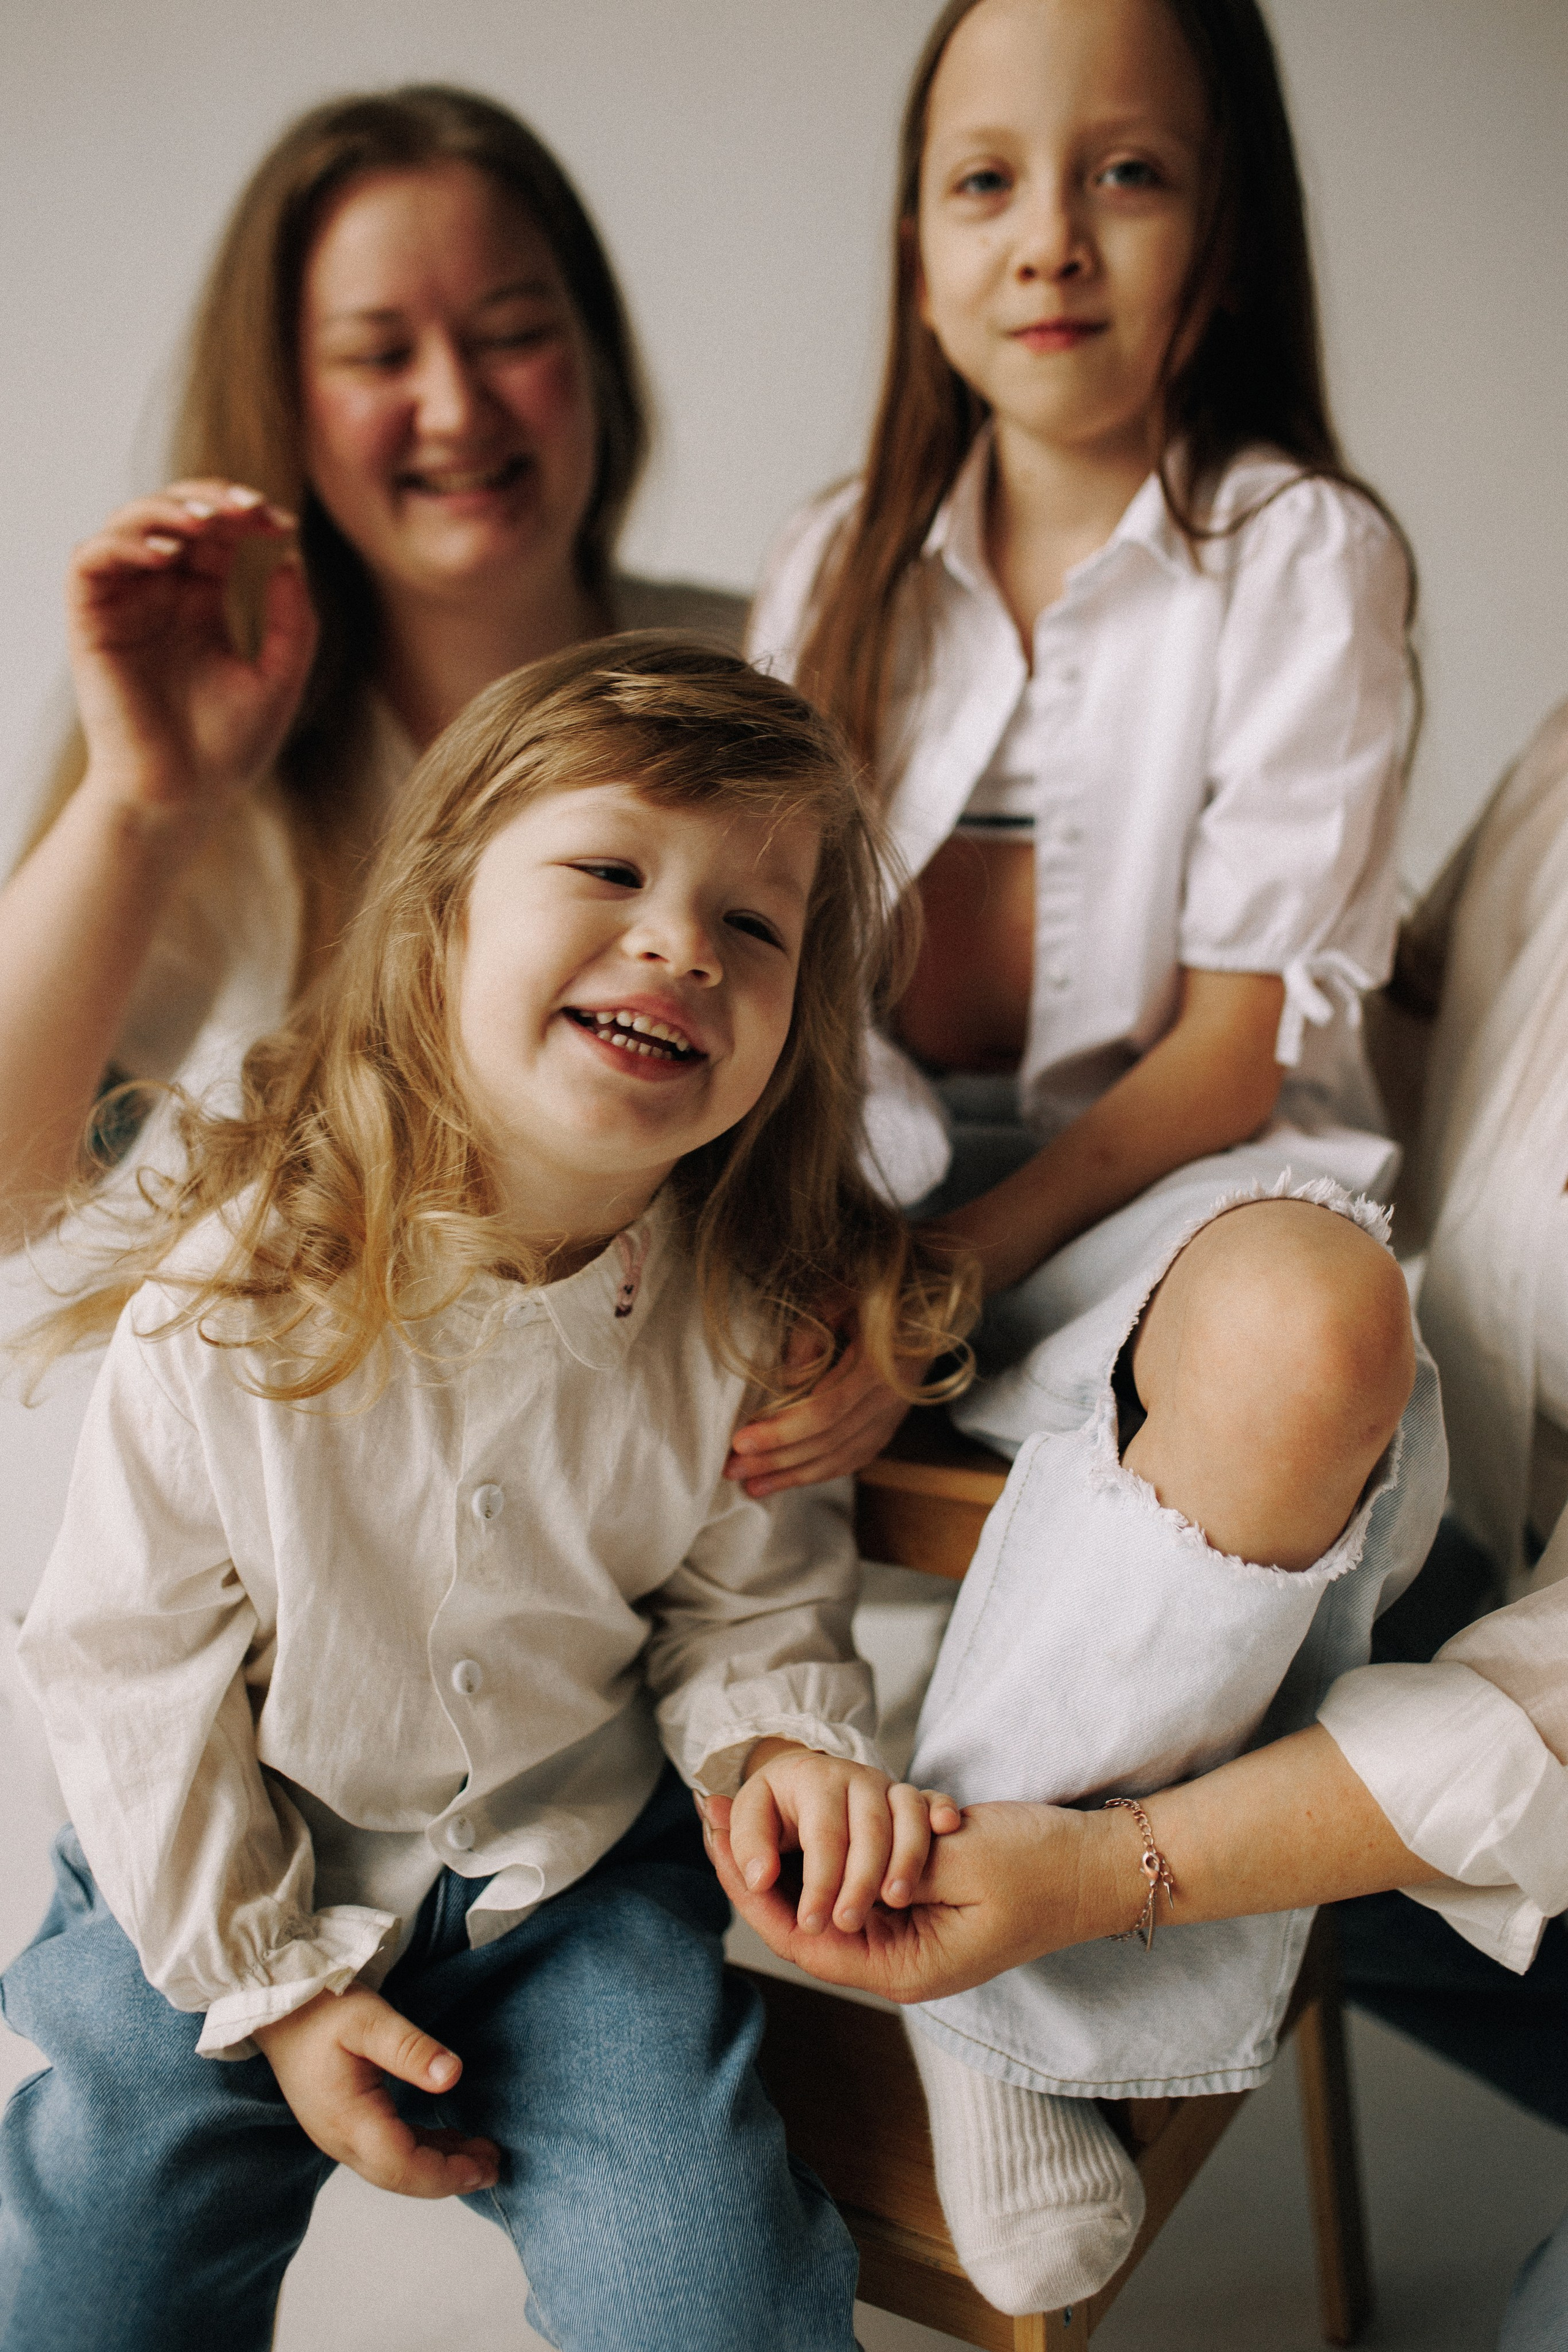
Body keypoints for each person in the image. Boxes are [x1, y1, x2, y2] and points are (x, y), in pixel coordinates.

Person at [722, 0, 1444, 2319]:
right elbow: (763, 1004)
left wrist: (940, 1285)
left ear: (1222, 242)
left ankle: (989, 1997)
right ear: (919, 252)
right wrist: (839, 1266)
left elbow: (1230, 1056)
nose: (1050, 240)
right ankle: (596, 1936)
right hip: (880, 1198)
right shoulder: (835, 566)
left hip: (1152, 1205)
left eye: (1127, 176)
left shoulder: (1301, 556)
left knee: (1318, 1319)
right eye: (984, 182)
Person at [0, 638, 973, 2352]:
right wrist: (276, 1993)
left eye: (754, 926)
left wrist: (786, 1750)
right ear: (445, 914)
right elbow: (126, 1665)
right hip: (225, 1862)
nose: (682, 942)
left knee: (719, 2298)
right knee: (87, 2285)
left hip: (570, 1885)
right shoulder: (239, 1293)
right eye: (609, 871)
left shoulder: (739, 1310)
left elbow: (740, 1610)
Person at [0, 83, 739, 1250]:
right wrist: (142, 804)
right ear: (288, 406)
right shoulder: (238, 761)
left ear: (594, 351)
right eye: (378, 355)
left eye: (510, 335)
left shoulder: (771, 664)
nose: (453, 407)